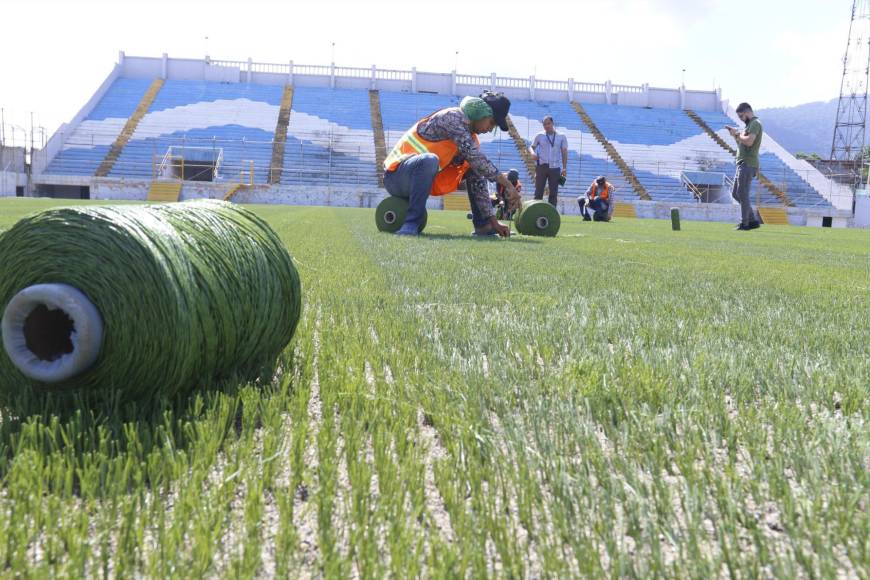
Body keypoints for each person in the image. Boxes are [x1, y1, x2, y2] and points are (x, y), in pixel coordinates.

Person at [382, 91, 521, 237]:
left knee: (475, 168)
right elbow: (476, 158)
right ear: (480, 112)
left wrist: (493, 222)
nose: (490, 129)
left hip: (417, 180)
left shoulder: (471, 139)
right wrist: (508, 185)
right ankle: (410, 224)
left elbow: (479, 170)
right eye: (491, 122)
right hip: (396, 176)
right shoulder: (452, 117)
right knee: (431, 159)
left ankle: (483, 226)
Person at [727, 102, 763, 231]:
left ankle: (745, 223)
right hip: (743, 162)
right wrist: (735, 135)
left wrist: (737, 134)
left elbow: (749, 142)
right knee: (736, 193)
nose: (741, 119)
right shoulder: (749, 125)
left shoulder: (755, 123)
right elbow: (743, 144)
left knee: (742, 193)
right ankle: (752, 220)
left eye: (741, 116)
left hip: (748, 163)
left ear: (747, 112)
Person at [529, 116, 568, 207]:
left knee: (553, 193)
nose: (546, 126)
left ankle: (552, 214)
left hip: (555, 167)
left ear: (552, 123)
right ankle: (536, 212)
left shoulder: (561, 136)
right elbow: (531, 147)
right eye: (544, 124)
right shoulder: (540, 135)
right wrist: (532, 153)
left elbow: (564, 152)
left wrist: (564, 168)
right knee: (538, 192)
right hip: (542, 166)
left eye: (548, 123)